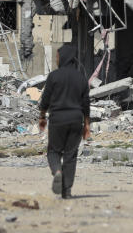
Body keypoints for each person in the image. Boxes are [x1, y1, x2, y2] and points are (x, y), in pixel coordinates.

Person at [38, 44, 91, 199]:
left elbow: (45, 99)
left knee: (53, 151)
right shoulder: (81, 77)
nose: (56, 59)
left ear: (63, 58)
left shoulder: (54, 76)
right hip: (76, 119)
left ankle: (57, 171)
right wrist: (87, 124)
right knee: (70, 155)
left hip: (57, 119)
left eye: (57, 57)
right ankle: (66, 191)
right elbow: (86, 102)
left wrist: (42, 117)